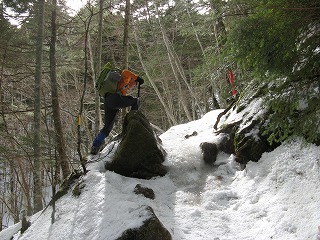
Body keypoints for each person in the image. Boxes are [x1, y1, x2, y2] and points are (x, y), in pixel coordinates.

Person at [90, 66, 144, 155]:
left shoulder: (124, 88)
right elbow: (125, 72)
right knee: (135, 101)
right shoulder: (125, 78)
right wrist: (137, 77)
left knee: (108, 127)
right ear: (132, 80)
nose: (134, 86)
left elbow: (123, 99)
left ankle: (95, 146)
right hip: (113, 98)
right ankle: (132, 124)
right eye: (135, 83)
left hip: (108, 102)